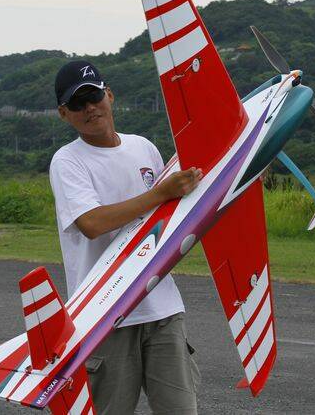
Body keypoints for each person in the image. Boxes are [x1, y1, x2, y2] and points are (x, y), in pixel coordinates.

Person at [49, 60, 203, 415]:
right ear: (64, 113)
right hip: (106, 315)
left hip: (162, 305)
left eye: (94, 96)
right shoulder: (67, 161)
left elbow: (175, 211)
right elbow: (91, 222)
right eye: (77, 103)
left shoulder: (143, 147)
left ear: (110, 95)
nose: (90, 108)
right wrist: (159, 193)